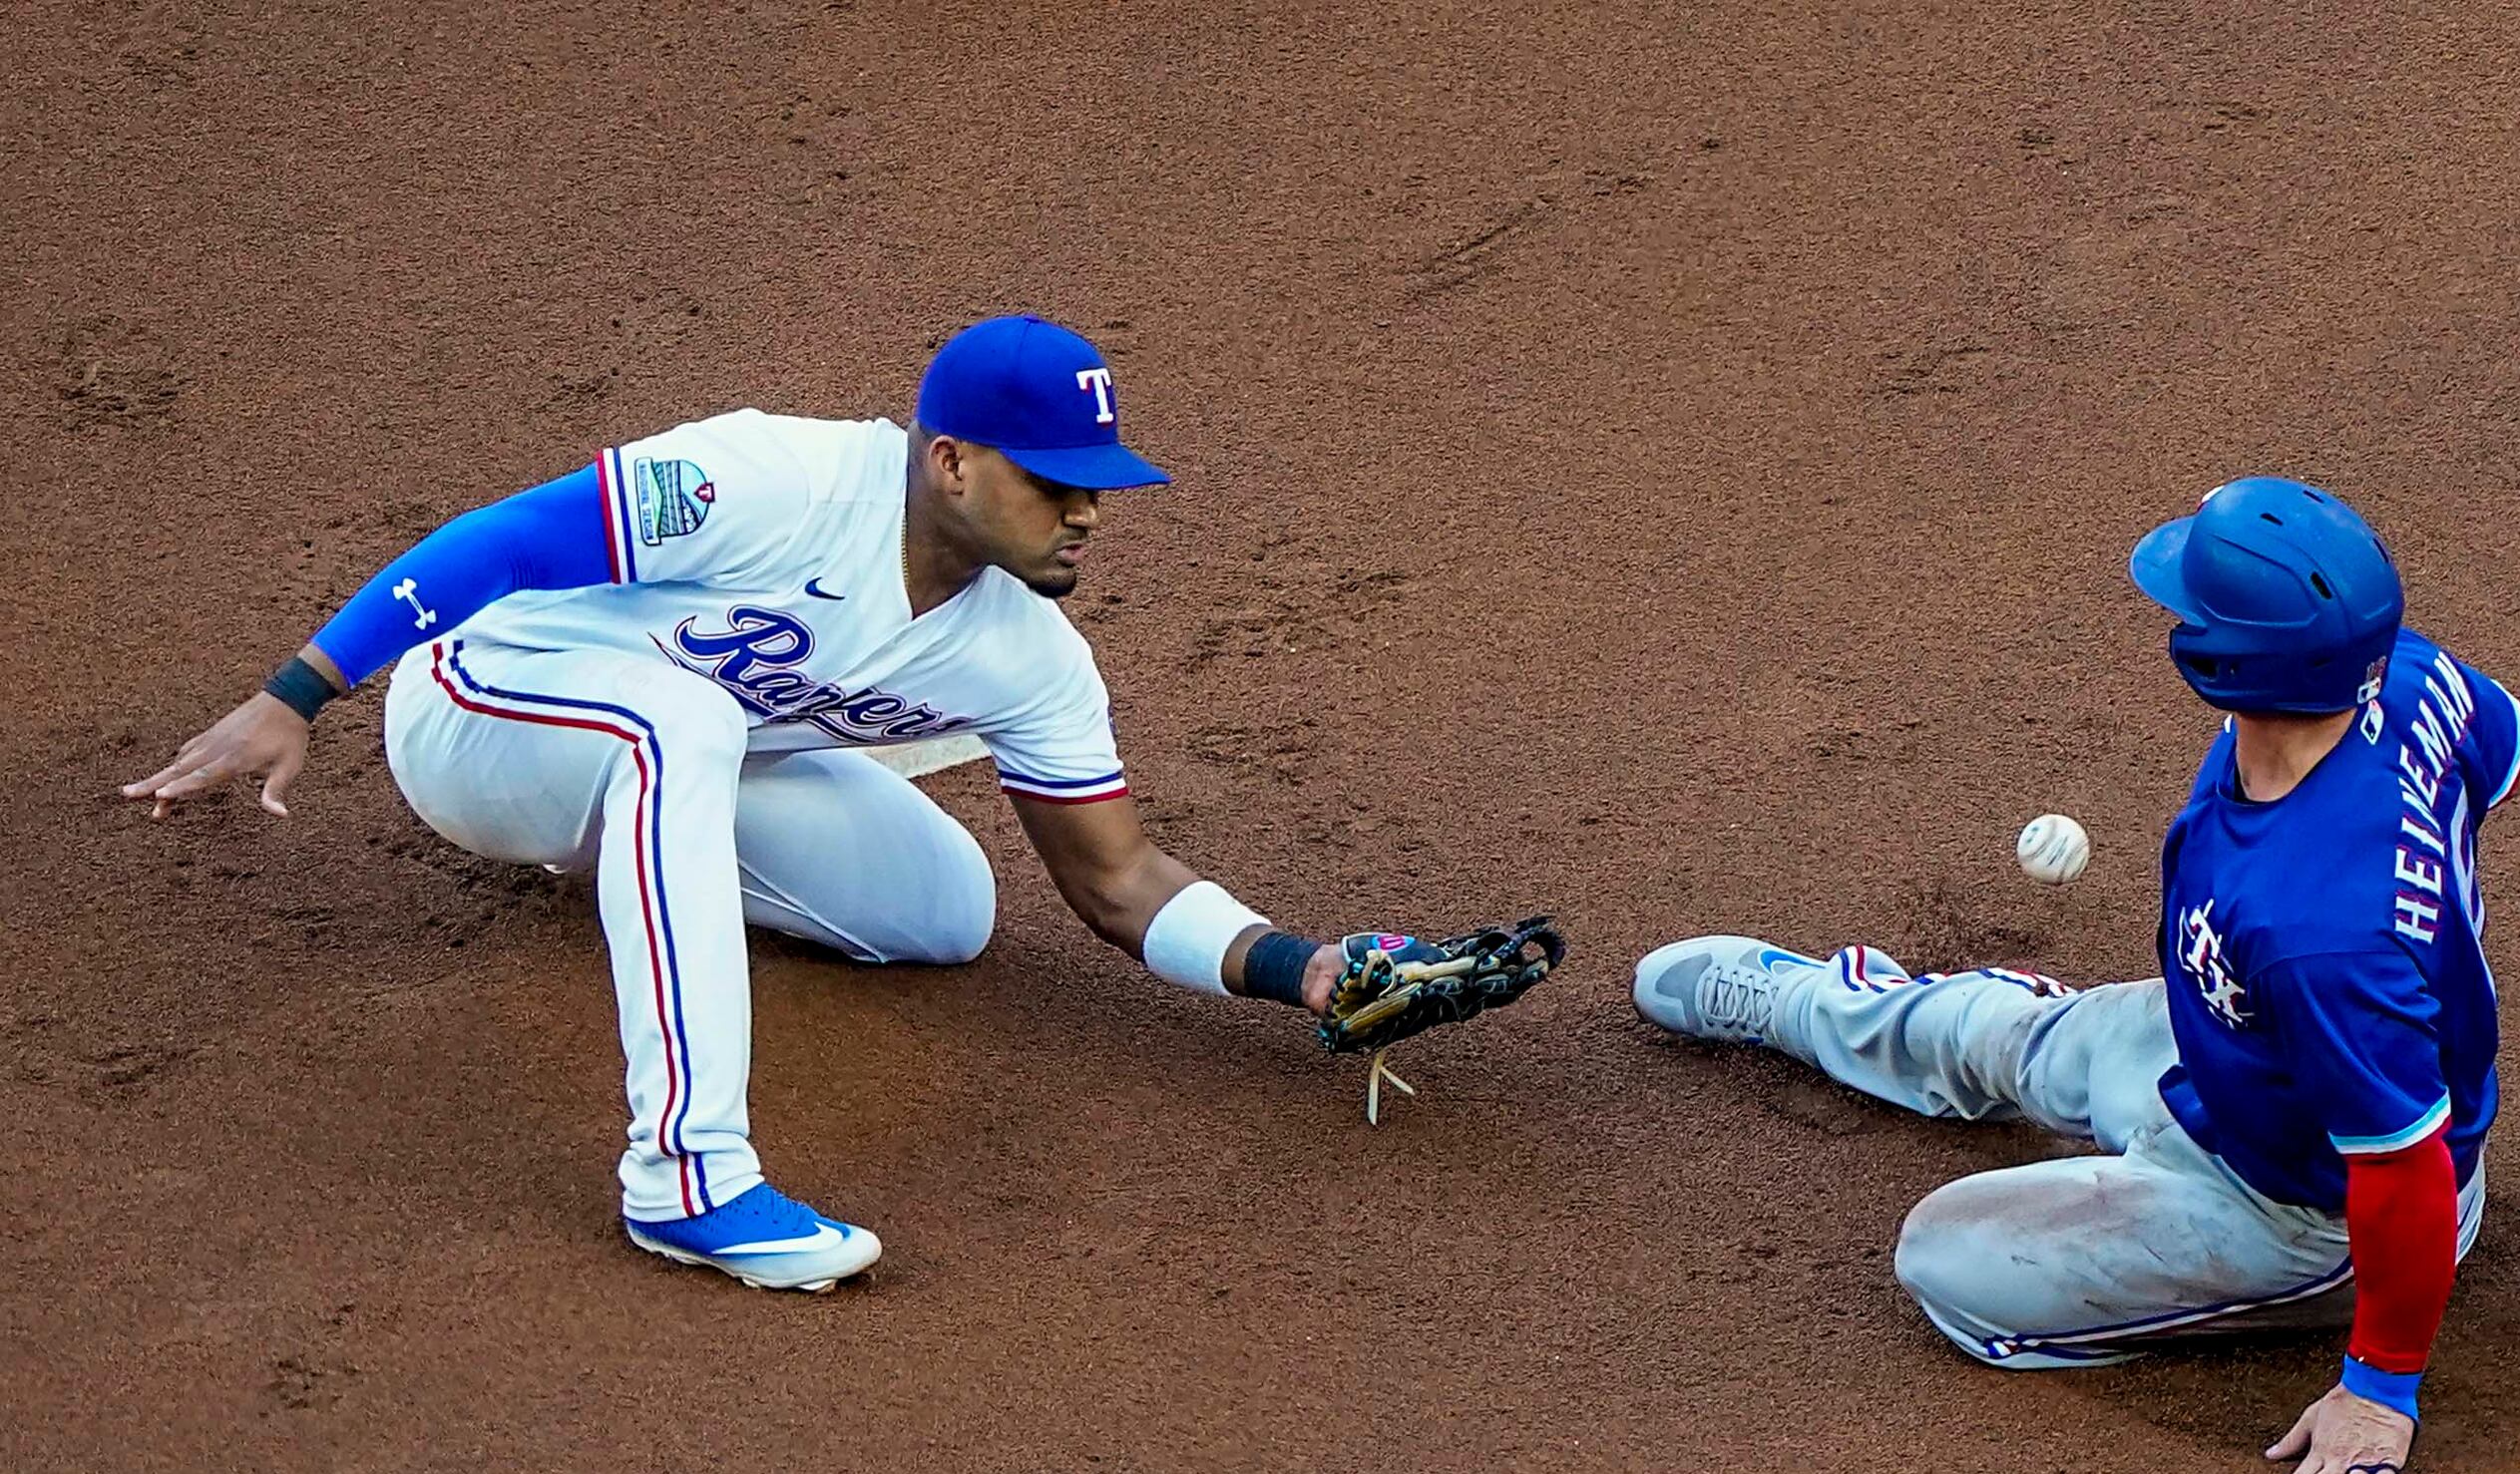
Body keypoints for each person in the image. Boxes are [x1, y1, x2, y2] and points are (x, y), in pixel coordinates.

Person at [127, 315, 1551, 1292]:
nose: (1090, 515)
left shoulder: (1026, 654)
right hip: (488, 707)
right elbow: (514, 533)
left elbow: (1116, 880)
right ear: (951, 460)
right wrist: (301, 690)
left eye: (1101, 488)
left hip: (668, 756)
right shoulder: (778, 478)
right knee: (679, 714)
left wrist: (1302, 968)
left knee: (947, 909)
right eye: (1059, 487)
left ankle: (631, 854)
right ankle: (685, 1175)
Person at [1632, 479, 2520, 1474]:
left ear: (2230, 659)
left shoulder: (2317, 932)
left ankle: (2208, 1272)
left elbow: (2402, 1172)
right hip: (2236, 1048)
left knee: (1947, 1264)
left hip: (2303, 1207)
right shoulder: (2415, 680)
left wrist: (2379, 1389)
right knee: (1999, 1036)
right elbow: (2515, 750)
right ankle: (1812, 1008)